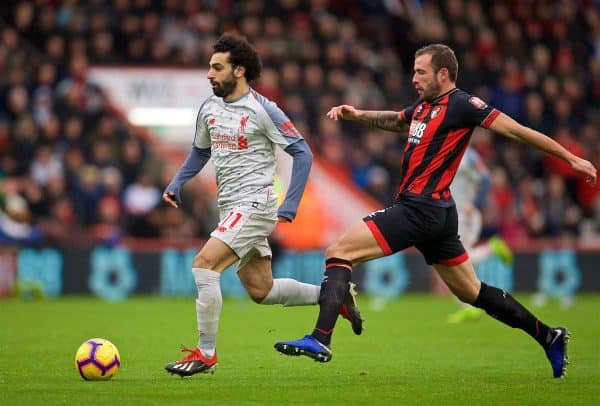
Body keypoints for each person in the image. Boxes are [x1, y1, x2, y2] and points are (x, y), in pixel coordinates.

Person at [274, 43, 597, 378]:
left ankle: (320, 338)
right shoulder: (424, 106)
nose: (414, 78)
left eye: (421, 72)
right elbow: (398, 120)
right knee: (472, 292)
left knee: (339, 252)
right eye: (414, 71)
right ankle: (549, 336)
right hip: (438, 214)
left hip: (420, 208)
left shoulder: (462, 104)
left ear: (443, 73)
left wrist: (571, 159)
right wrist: (358, 114)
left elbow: (518, 131)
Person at [162, 33, 362, 377]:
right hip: (231, 208)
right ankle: (334, 294)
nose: (209, 74)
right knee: (261, 290)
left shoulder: (263, 109)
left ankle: (205, 353)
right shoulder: (209, 108)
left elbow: (302, 152)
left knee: (204, 265)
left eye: (217, 67)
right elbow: (200, 151)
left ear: (239, 70)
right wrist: (178, 181)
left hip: (255, 204)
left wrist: (291, 203)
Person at [446, 147, 514, 324]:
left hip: (464, 214)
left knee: (451, 260)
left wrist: (473, 203)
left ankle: (492, 248)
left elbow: (485, 179)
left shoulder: (468, 155)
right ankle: (467, 308)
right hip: (451, 212)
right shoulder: (447, 149)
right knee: (450, 261)